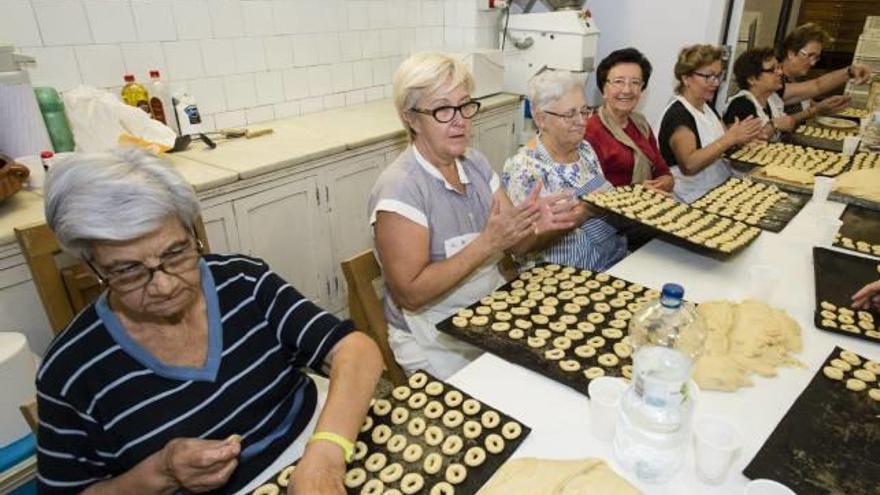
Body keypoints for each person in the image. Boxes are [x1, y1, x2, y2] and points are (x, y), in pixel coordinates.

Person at [36, 148, 383, 494]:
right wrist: (162, 471)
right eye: (128, 270)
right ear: (91, 267)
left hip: (313, 451)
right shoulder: (69, 371)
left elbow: (355, 350)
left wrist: (326, 453)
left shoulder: (242, 282)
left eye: (175, 252)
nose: (165, 285)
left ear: (192, 230)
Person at [369, 52, 577, 379]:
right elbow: (410, 294)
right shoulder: (401, 190)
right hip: (432, 336)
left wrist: (536, 226)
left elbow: (517, 244)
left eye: (465, 105)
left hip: (488, 311)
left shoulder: (474, 163)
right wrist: (486, 243)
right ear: (409, 118)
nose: (460, 120)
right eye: (442, 109)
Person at [502, 69, 628, 271]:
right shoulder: (524, 169)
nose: (581, 121)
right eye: (570, 114)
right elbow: (522, 247)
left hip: (612, 260)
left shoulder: (585, 149)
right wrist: (581, 213)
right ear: (541, 118)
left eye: (584, 111)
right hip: (561, 277)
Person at [658, 44, 764, 203]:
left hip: (716, 189)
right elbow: (689, 165)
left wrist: (742, 138)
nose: (715, 83)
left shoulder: (707, 107)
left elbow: (722, 144)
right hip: (690, 198)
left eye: (719, 76)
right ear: (686, 78)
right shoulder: (678, 115)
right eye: (708, 76)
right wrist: (730, 139)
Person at [585, 47, 674, 192]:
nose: (627, 90)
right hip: (610, 212)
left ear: (642, 89)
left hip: (647, 206)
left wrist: (664, 182)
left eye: (635, 82)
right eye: (619, 82)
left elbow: (663, 172)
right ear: (604, 89)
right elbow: (590, 191)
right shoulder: (590, 131)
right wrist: (636, 191)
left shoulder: (641, 124)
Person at [777, 23, 871, 122]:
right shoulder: (777, 81)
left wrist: (829, 105)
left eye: (816, 57)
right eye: (809, 55)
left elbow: (810, 105)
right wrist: (849, 72)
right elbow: (817, 85)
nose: (813, 63)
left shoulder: (797, 77)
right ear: (791, 53)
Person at [723, 47, 794, 140]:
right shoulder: (741, 104)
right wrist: (775, 125)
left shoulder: (772, 99)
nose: (780, 72)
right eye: (773, 70)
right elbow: (746, 143)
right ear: (752, 79)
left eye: (779, 68)